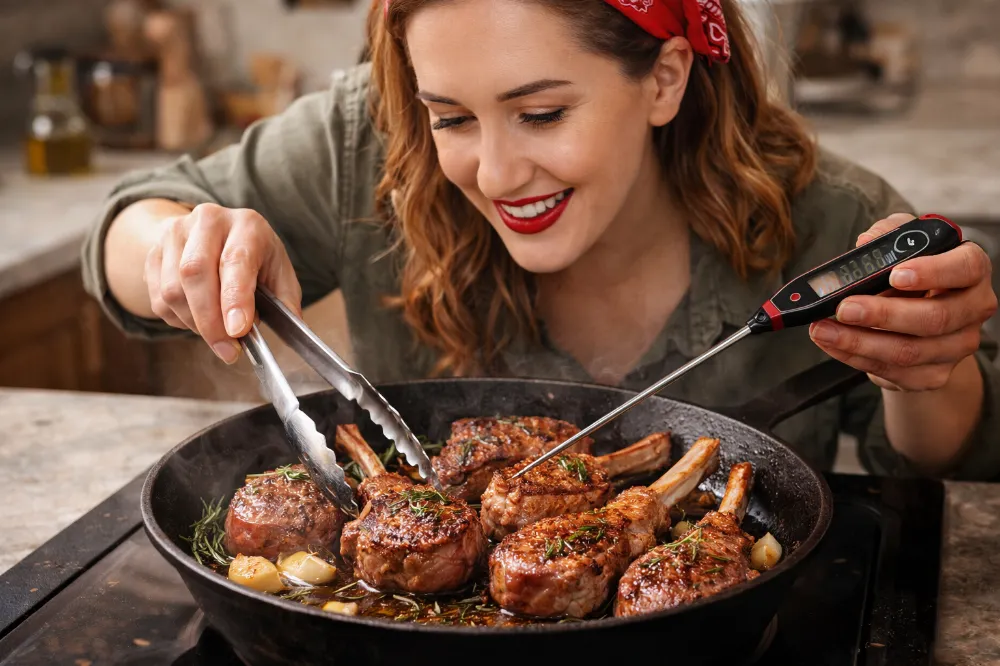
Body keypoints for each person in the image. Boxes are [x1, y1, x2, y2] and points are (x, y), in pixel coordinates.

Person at [82, 0, 1000, 479]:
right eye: (453, 118)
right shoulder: (369, 143)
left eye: (542, 112)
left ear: (665, 79)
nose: (494, 172)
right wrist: (182, 248)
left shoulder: (827, 218)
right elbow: (132, 219)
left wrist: (932, 371)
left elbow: (950, 468)